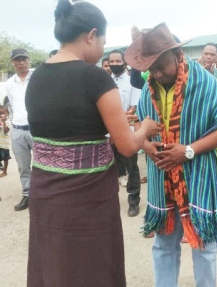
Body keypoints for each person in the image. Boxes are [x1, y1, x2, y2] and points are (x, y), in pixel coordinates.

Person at [24, 1, 161, 286]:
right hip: (87, 197)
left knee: (54, 260)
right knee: (92, 264)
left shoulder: (37, 77)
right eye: (103, 42)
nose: (103, 50)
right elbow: (126, 146)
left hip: (45, 192)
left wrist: (112, 121)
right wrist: (144, 127)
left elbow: (64, 125)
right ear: (91, 35)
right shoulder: (94, 76)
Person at [125, 22, 217, 287]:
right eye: (149, 67)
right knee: (164, 242)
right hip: (161, 173)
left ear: (177, 55)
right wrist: (146, 145)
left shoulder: (206, 83)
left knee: (204, 245)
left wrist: (187, 151)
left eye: (160, 65)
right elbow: (140, 123)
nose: (155, 73)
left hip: (198, 172)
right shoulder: (151, 79)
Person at [108, 49, 142, 217]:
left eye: (117, 61)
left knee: (131, 167)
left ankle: (133, 199)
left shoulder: (132, 82)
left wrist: (118, 129)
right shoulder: (104, 82)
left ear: (124, 62)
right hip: (107, 135)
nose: (114, 64)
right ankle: (110, 200)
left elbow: (133, 109)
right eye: (111, 61)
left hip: (127, 132)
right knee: (110, 169)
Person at [5, 48, 33, 211]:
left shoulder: (37, 79)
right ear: (13, 62)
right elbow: (12, 106)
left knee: (43, 163)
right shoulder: (9, 84)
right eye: (18, 59)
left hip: (36, 128)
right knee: (23, 165)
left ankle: (42, 193)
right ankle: (27, 194)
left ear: (29, 60)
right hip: (17, 130)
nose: (21, 62)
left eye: (24, 59)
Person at [0, 105, 11, 177]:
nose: (1, 115)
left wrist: (3, 122)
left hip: (5, 144)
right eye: (0, 113)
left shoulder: (8, 122)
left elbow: (5, 130)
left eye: (3, 113)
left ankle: (5, 171)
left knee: (5, 158)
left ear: (7, 113)